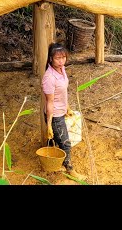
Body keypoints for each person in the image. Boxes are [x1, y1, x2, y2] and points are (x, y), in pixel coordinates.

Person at [41, 42, 87, 181]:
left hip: (61, 111)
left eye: (63, 57)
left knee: (57, 139)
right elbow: (49, 102)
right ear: (50, 59)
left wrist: (67, 107)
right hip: (54, 115)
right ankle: (69, 168)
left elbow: (63, 92)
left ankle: (53, 161)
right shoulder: (49, 77)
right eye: (57, 58)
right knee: (65, 142)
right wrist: (49, 124)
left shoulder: (61, 70)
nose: (61, 61)